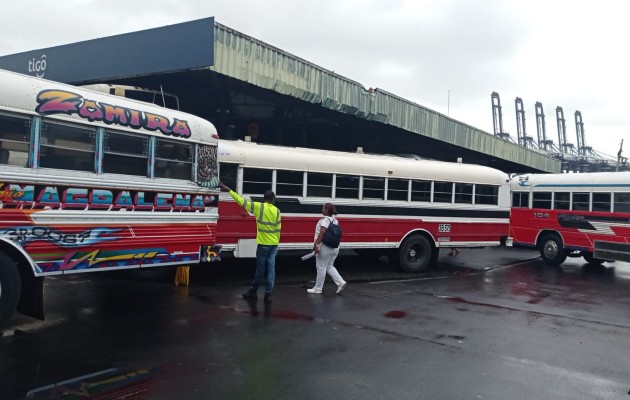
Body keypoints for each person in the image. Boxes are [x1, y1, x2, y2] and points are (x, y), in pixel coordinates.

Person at [219, 182, 281, 304]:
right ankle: (268, 295)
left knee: (260, 270)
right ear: (273, 199)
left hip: (263, 244)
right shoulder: (277, 211)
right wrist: (276, 242)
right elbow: (278, 229)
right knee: (271, 269)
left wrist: (230, 190)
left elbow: (242, 202)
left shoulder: (259, 207)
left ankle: (253, 292)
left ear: (264, 199)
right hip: (274, 244)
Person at [307, 203, 347, 295]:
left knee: (321, 267)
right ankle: (340, 282)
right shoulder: (335, 220)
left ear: (326, 210)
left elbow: (322, 232)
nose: (322, 209)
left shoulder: (325, 220)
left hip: (325, 247)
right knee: (329, 266)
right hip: (335, 247)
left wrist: (316, 245)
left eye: (323, 208)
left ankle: (318, 289)